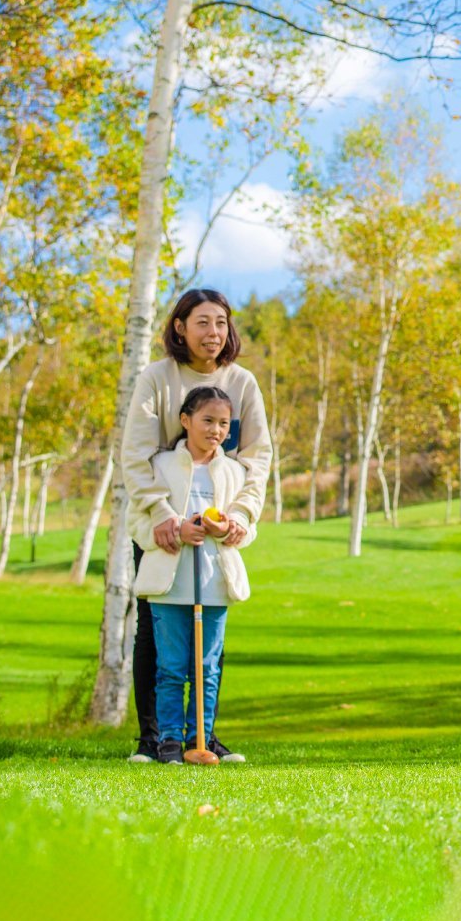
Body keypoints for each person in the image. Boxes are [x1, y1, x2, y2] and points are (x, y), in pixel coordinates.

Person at [122, 289, 270, 763]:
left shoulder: (242, 382)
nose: (214, 333)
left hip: (215, 529)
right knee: (156, 630)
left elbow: (257, 459)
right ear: (180, 326)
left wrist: (241, 517)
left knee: (211, 630)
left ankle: (201, 737)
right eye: (202, 322)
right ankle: (153, 738)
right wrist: (162, 517)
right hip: (158, 526)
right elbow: (135, 454)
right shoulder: (156, 377)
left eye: (222, 323)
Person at [133, 387, 256, 764]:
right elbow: (136, 521)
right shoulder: (160, 466)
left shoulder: (234, 471)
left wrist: (231, 528)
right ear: (185, 421)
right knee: (170, 666)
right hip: (170, 582)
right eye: (208, 420)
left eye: (223, 423)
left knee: (206, 666)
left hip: (214, 583)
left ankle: (199, 738)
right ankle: (168, 741)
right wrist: (174, 529)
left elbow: (247, 525)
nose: (216, 430)